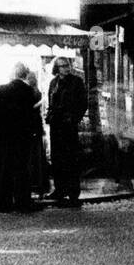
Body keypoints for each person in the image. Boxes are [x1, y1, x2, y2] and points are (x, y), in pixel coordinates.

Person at [0, 63, 43, 213]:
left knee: (5, 168)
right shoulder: (28, 91)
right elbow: (31, 114)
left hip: (4, 136)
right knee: (22, 169)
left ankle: (2, 202)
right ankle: (23, 202)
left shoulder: (1, 89)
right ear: (25, 75)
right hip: (22, 135)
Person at [46, 56, 87, 207]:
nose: (65, 68)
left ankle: (73, 192)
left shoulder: (76, 82)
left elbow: (83, 103)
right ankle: (60, 189)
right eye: (62, 66)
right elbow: (51, 101)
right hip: (56, 124)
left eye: (67, 65)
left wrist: (74, 118)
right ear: (57, 68)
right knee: (57, 158)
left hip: (68, 125)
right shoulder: (53, 83)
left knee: (70, 158)